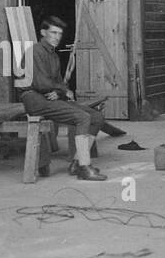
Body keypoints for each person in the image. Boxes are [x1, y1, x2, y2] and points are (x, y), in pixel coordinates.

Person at [17, 16, 108, 180]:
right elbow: (41, 83)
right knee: (82, 117)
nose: (57, 37)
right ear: (43, 32)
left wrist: (59, 92)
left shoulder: (53, 56)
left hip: (48, 98)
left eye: (59, 33)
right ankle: (85, 167)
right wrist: (60, 90)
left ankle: (77, 162)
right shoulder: (35, 51)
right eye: (53, 32)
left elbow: (58, 85)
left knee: (96, 117)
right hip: (34, 99)